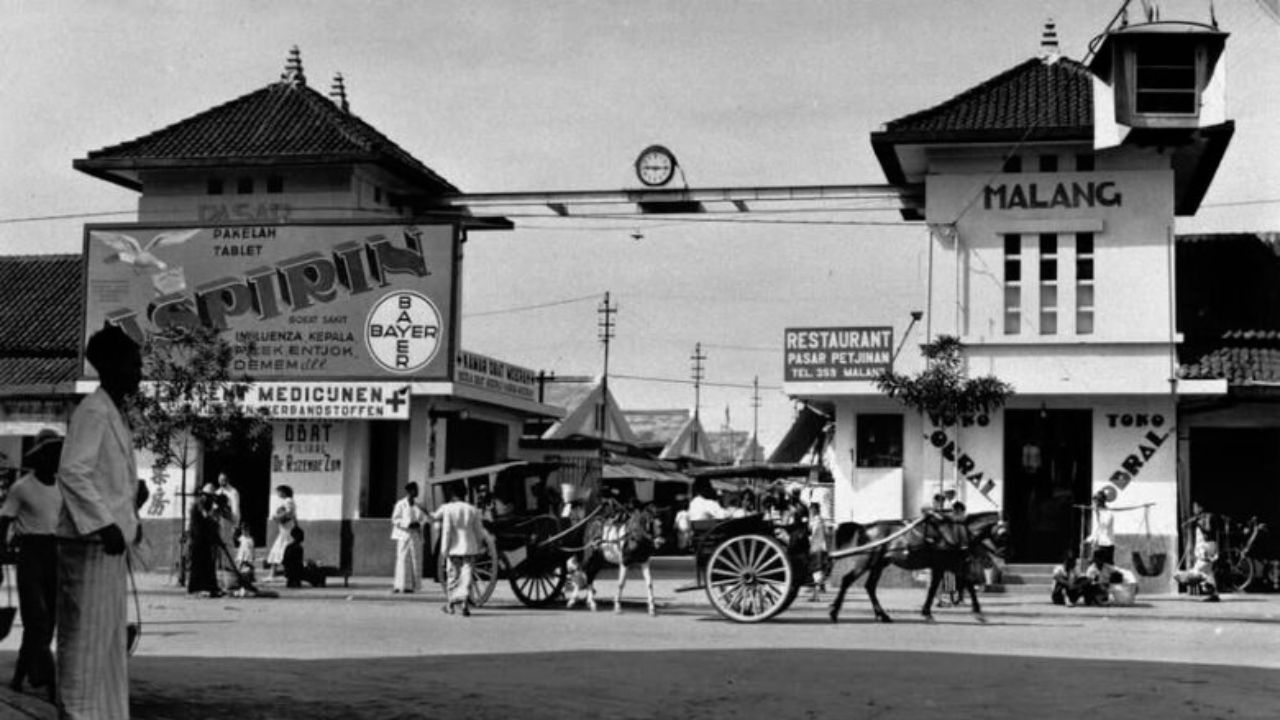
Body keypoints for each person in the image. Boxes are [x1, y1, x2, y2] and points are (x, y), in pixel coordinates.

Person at [55, 324, 143, 720]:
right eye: (133, 363)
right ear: (111, 365)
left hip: (108, 547)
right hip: (90, 545)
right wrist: (105, 524)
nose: (139, 371)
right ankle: (76, 714)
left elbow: (104, 479)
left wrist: (130, 506)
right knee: (86, 646)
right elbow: (73, 472)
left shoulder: (114, 413)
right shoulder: (93, 411)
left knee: (109, 646)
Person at [0, 429, 64, 697]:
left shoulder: (63, 486)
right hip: (30, 554)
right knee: (36, 619)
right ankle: (48, 682)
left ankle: (18, 677)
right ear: (39, 457)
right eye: (49, 454)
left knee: (46, 623)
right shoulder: (21, 487)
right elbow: (4, 521)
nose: (54, 460)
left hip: (55, 553)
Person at [431, 484, 489, 616]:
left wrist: (444, 549)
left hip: (454, 548)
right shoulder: (472, 509)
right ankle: (464, 604)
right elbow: (479, 531)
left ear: (452, 495)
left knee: (453, 576)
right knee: (466, 575)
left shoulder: (448, 509)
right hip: (469, 547)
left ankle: (451, 604)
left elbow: (446, 530)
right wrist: (480, 546)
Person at [186, 483, 228, 597]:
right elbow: (207, 518)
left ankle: (210, 587)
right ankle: (195, 588)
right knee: (198, 564)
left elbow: (211, 521)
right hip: (198, 538)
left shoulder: (207, 504)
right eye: (209, 496)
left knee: (208, 564)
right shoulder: (199, 504)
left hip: (205, 539)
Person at [1175, 501, 1221, 602]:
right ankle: (1214, 594)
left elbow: (1208, 530)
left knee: (1200, 571)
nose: (1193, 510)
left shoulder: (1207, 517)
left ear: (1200, 507)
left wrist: (1199, 524)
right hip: (1205, 547)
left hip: (1207, 547)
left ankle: (1184, 577)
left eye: (1195, 507)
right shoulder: (1200, 518)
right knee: (1208, 572)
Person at [390, 482, 427, 594]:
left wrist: (419, 524)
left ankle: (414, 586)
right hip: (403, 535)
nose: (418, 492)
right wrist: (406, 524)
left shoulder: (419, 505)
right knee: (402, 560)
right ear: (410, 491)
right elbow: (395, 519)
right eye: (416, 490)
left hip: (415, 534)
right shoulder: (400, 504)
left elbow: (424, 518)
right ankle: (400, 585)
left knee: (416, 560)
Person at [266, 485, 296, 578]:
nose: (278, 494)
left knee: (279, 550)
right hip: (284, 530)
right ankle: (273, 574)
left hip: (286, 530)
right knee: (279, 550)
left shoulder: (288, 501)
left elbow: (289, 514)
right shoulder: (288, 501)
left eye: (279, 492)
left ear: (284, 492)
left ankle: (273, 574)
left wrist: (277, 517)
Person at [807, 501, 829, 602]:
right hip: (817, 546)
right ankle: (819, 589)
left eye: (812, 509)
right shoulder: (818, 520)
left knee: (817, 570)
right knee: (817, 570)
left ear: (815, 510)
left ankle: (815, 595)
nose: (811, 511)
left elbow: (814, 533)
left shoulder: (818, 520)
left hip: (817, 547)